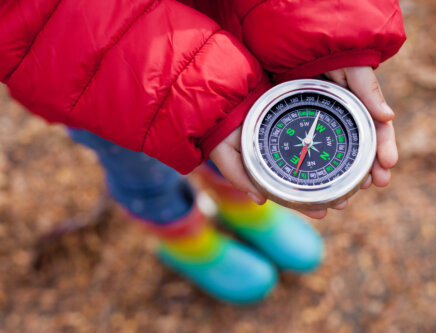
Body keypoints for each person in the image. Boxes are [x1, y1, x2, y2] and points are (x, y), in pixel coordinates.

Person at [0, 0, 406, 303]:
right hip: (94, 90)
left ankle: (247, 206)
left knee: (235, 155)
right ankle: (185, 240)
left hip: (233, 43)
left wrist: (310, 16)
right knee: (143, 177)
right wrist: (181, 90)